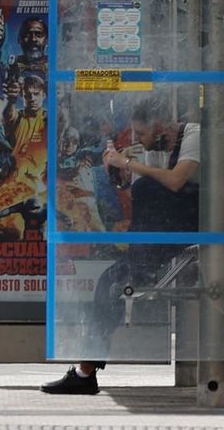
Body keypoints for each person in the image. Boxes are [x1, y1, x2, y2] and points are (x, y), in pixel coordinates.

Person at [40, 98, 201, 395]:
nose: (138, 141)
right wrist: (120, 170)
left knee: (113, 282)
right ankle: (85, 372)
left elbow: (176, 181)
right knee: (108, 283)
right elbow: (138, 189)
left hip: (189, 238)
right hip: (160, 242)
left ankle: (85, 372)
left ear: (161, 126)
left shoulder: (194, 136)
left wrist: (128, 163)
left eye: (141, 134)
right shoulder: (157, 149)